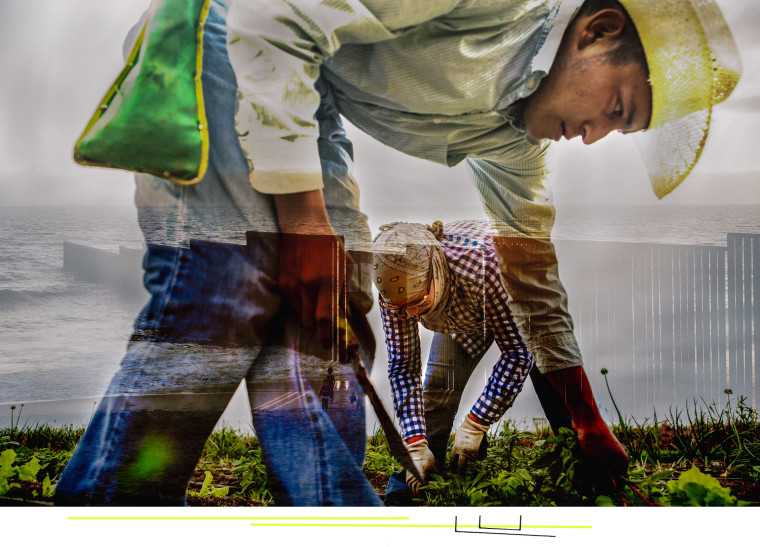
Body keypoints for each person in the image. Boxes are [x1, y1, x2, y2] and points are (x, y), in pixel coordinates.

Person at [57, 0, 740, 505]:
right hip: (226, 48)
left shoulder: (515, 146)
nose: (595, 137)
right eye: (617, 108)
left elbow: (534, 286)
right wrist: (300, 220)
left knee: (336, 316)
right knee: (223, 295)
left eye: (619, 131)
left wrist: (585, 417)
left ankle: (331, 512)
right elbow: (271, 21)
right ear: (597, 30)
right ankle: (107, 509)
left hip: (305, 103)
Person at [372, 220, 572, 502]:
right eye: (400, 309)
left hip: (517, 296)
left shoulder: (491, 263)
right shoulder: (393, 293)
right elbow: (403, 369)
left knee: (549, 368)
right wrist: (415, 445)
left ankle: (582, 459)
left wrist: (476, 424)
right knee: (439, 387)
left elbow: (518, 352)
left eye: (418, 303)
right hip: (462, 315)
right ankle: (419, 479)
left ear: (436, 274)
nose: (410, 315)